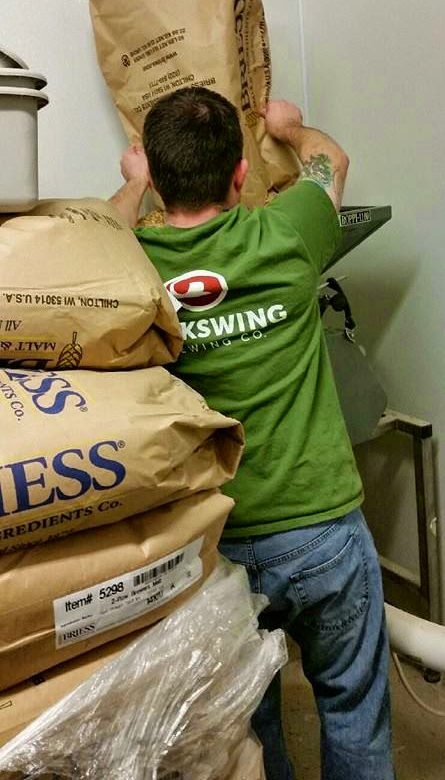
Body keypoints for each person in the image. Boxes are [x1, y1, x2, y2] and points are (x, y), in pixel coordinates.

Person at [111, 86, 394, 780]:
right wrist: (290, 129)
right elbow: (331, 160)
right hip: (321, 531)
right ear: (241, 174)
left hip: (217, 541)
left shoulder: (130, 259)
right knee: (352, 706)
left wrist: (134, 182)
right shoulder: (288, 230)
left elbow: (98, 227)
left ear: (157, 179)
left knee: (249, 722)